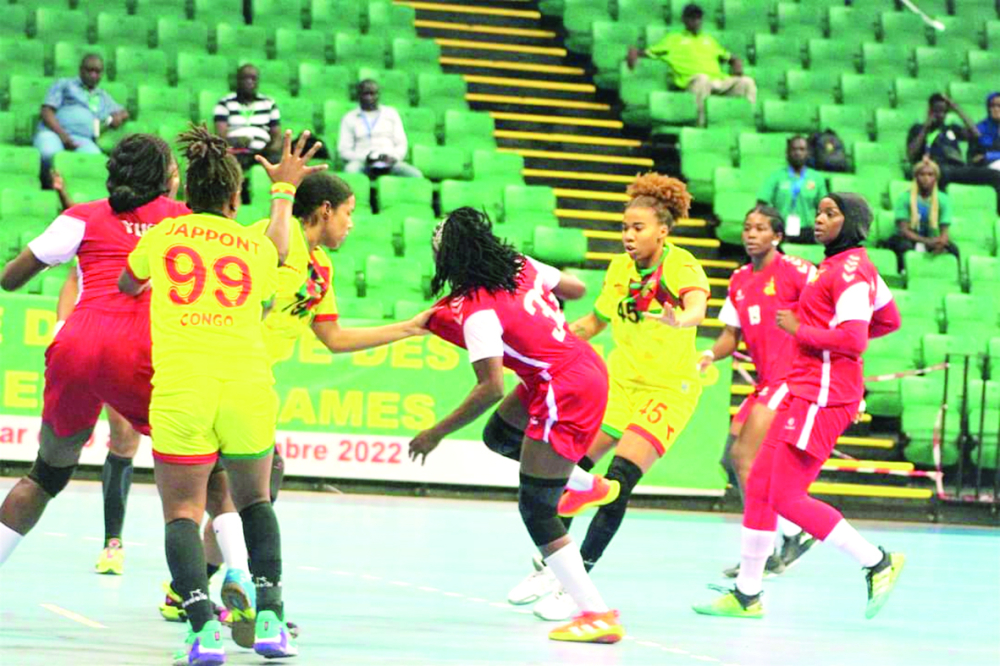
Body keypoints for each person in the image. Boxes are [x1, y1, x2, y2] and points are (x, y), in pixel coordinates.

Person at [118, 127, 324, 662]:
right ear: (235, 199)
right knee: (255, 500)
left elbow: (125, 284)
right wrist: (281, 191)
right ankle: (273, 619)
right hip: (247, 383)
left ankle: (204, 626)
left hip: (183, 385)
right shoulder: (257, 246)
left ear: (188, 194)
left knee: (182, 511)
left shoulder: (163, 235)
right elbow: (274, 263)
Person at [409, 207, 624, 644]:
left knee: (537, 510)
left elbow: (489, 387)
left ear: (451, 260)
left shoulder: (477, 311)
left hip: (560, 388)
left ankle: (596, 613)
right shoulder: (520, 265)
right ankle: (582, 483)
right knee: (500, 435)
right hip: (579, 364)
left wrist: (435, 432)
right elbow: (577, 288)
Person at [693, 193, 905, 621]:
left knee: (787, 497)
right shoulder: (841, 265)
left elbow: (855, 339)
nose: (819, 219)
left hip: (823, 395)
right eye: (820, 212)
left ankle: (876, 561)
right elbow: (889, 319)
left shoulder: (848, 272)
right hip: (806, 388)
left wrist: (802, 330)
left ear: (853, 223)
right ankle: (746, 594)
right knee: (760, 488)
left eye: (830, 214)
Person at [513, 173, 712, 621]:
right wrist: (549, 336)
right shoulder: (620, 269)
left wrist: (683, 320)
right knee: (568, 470)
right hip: (619, 384)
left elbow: (697, 304)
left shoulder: (681, 266)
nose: (628, 235)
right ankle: (553, 566)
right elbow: (594, 322)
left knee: (617, 482)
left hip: (669, 389)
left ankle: (579, 578)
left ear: (663, 230)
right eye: (624, 227)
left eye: (638, 228)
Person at [0, 134, 188, 571]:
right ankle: (216, 590)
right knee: (211, 472)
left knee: (46, 473)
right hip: (144, 349)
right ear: (166, 179)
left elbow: (10, 280)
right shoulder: (185, 222)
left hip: (78, 343)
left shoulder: (81, 218)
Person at [700, 205, 818, 579]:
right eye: (747, 227)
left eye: (761, 228)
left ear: (777, 236)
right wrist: (706, 354)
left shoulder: (797, 271)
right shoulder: (739, 280)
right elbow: (729, 337)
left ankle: (772, 545)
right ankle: (791, 530)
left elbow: (828, 312)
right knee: (730, 461)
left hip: (793, 378)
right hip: (766, 382)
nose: (751, 233)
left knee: (745, 457)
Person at [628, 3, 756, 126]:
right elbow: (651, 52)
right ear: (684, 19)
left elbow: (729, 57)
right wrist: (635, 52)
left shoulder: (709, 40)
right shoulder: (674, 39)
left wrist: (736, 63)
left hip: (717, 82)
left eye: (698, 18)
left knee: (746, 82)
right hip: (693, 83)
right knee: (702, 79)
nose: (696, 21)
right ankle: (700, 126)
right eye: (692, 18)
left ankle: (745, 124)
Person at [33, 54, 129, 183]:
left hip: (83, 139)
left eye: (97, 72)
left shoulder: (102, 96)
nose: (93, 75)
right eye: (89, 70)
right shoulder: (65, 84)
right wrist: (63, 136)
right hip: (53, 133)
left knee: (96, 162)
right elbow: (46, 111)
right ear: (80, 70)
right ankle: (49, 188)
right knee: (48, 154)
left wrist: (118, 117)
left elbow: (123, 112)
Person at [907, 93, 1000, 213]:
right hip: (937, 168)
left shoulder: (951, 129)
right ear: (930, 110)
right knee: (942, 172)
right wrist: (925, 128)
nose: (940, 115)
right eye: (937, 111)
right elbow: (911, 155)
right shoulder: (918, 129)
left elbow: (976, 135)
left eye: (944, 111)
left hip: (959, 168)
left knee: (996, 176)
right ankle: (940, 213)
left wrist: (956, 108)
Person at [881, 157, 958, 272]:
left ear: (936, 178)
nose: (926, 178)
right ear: (916, 177)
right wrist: (926, 241)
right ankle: (903, 272)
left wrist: (941, 242)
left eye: (930, 175)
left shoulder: (943, 200)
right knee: (903, 245)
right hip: (909, 239)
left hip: (930, 238)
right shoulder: (904, 198)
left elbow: (944, 232)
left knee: (953, 249)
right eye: (922, 174)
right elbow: (904, 231)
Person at [338, 79, 422, 178]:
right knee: (350, 171)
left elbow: (401, 143)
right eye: (366, 94)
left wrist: (394, 157)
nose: (369, 97)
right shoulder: (349, 118)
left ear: (379, 95)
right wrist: (365, 158)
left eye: (373, 94)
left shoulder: (391, 114)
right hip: (362, 162)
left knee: (415, 175)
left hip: (389, 161)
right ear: (358, 95)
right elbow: (344, 151)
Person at [756, 136, 829, 243]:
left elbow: (824, 207)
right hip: (781, 230)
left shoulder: (817, 178)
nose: (798, 153)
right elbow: (761, 203)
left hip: (808, 231)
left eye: (802, 149)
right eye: (794, 149)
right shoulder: (776, 176)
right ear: (787, 152)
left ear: (808, 153)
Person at [214, 64, 282, 176]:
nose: (249, 82)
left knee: (277, 160)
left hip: (263, 152)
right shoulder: (225, 103)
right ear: (237, 80)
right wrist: (235, 141)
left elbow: (277, 135)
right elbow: (220, 136)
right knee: (226, 161)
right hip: (236, 151)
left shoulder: (269, 103)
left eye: (253, 78)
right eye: (245, 78)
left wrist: (271, 149)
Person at [971, 92, 1000, 170]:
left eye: (999, 106)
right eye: (992, 106)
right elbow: (978, 155)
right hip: (985, 166)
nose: (996, 109)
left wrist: (988, 155)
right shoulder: (981, 127)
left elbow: (985, 155)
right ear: (988, 108)